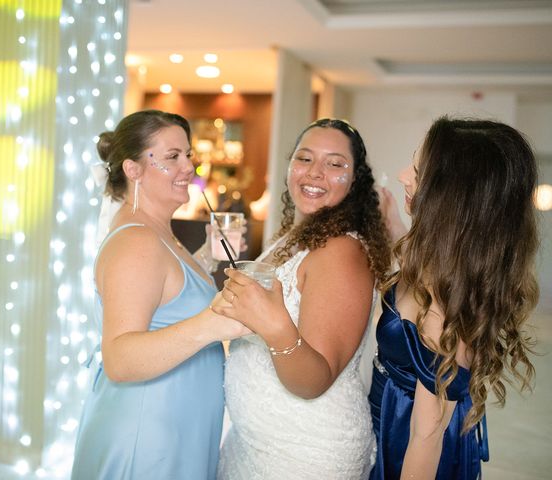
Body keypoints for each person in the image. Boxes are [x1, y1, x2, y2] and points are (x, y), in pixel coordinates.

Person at [71, 110, 248, 480]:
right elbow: (120, 358)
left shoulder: (155, 231)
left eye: (188, 156)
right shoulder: (137, 241)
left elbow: (164, 296)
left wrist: (207, 256)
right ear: (133, 169)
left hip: (175, 426)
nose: (189, 167)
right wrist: (213, 323)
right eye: (172, 157)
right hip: (149, 436)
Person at [213, 118, 391, 479]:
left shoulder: (342, 252)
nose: (315, 173)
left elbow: (313, 380)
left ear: (355, 180)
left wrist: (272, 324)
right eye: (305, 159)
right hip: (254, 443)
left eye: (335, 163)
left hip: (304, 452)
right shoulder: (297, 235)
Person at [368, 116, 539, 479]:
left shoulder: (445, 308)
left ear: (452, 197)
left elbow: (426, 435)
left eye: (417, 170)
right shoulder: (452, 262)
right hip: (395, 416)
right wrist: (395, 223)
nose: (402, 175)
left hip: (411, 443)